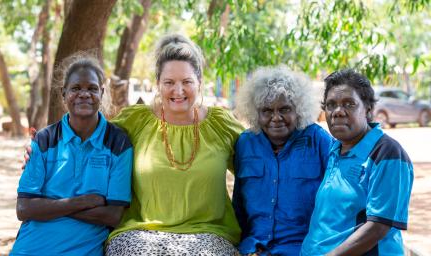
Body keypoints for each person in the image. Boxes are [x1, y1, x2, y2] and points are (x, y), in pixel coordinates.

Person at [104, 34, 244, 255]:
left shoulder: (220, 124)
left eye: (187, 82)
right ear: (158, 84)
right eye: (169, 82)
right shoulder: (136, 121)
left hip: (209, 233)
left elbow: (262, 157)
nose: (178, 91)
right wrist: (44, 151)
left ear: (199, 82)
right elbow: (90, 143)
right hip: (140, 232)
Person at [11, 57, 133, 256]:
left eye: (92, 88)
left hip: (83, 249)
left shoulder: (118, 143)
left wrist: (48, 205)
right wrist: (82, 201)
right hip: (30, 247)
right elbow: (24, 209)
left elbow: (112, 215)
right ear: (63, 94)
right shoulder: (44, 140)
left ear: (101, 93)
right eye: (76, 88)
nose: (84, 94)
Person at [301, 69, 414, 255]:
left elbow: (377, 227)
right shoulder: (336, 149)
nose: (337, 112)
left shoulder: (387, 153)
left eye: (349, 104)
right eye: (331, 105)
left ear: (368, 110)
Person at [232, 65, 333, 255]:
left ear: (299, 110)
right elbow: (239, 205)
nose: (276, 117)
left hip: (302, 249)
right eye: (267, 110)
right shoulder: (245, 143)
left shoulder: (318, 141)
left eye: (285, 109)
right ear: (256, 113)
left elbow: (337, 202)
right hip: (253, 248)